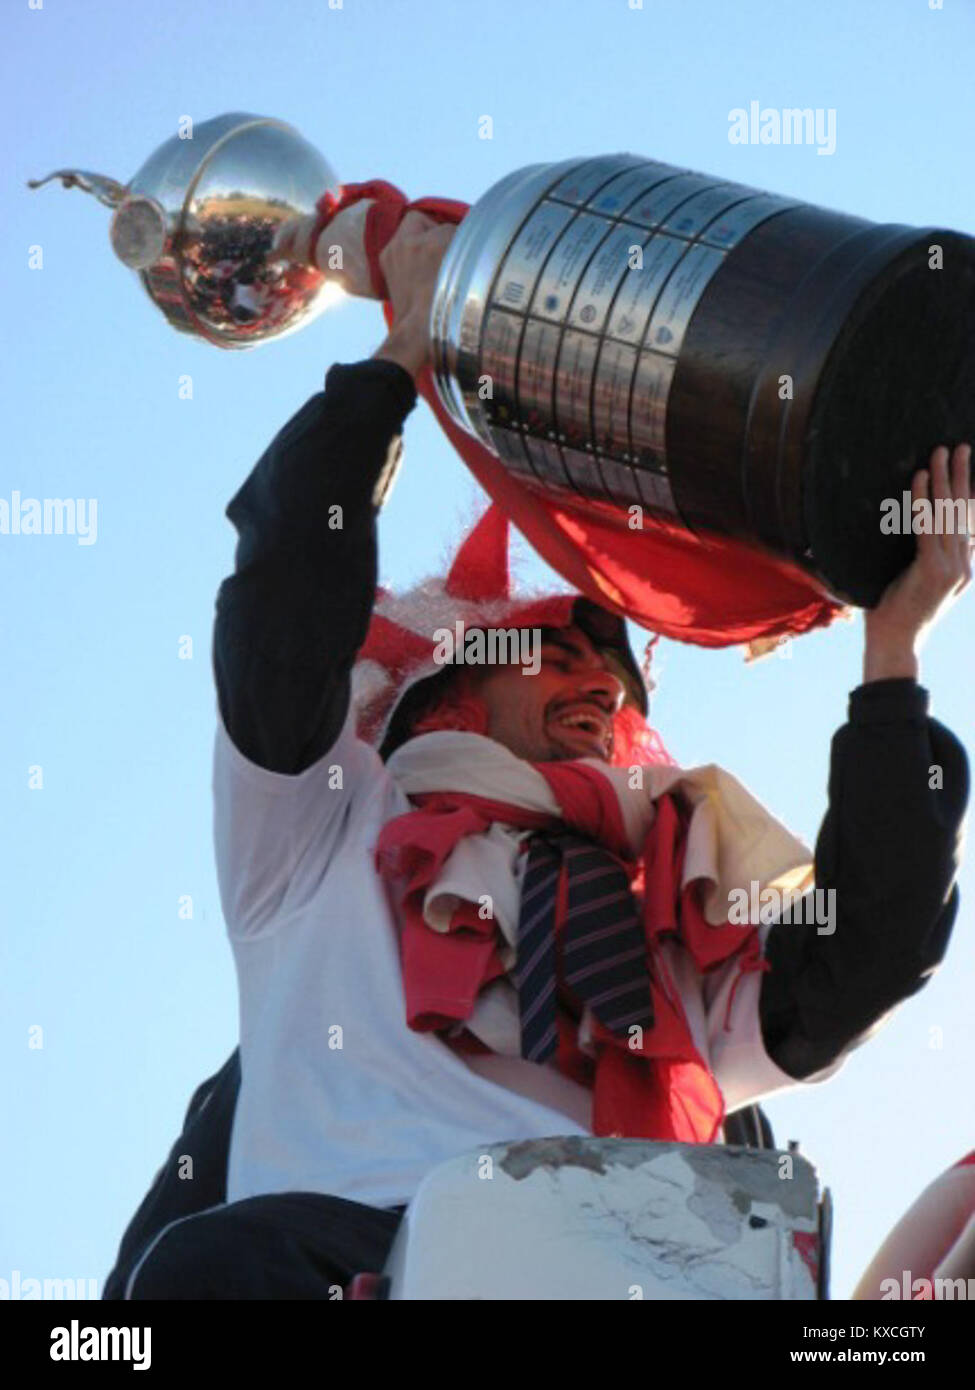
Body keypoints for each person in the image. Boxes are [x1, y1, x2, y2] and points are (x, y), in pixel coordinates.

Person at [104, 214, 971, 1300]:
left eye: (613, 674)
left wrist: (895, 653)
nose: (600, 685)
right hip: (349, 1258)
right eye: (554, 653)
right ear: (447, 688)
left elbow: (875, 946)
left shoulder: (675, 917)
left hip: (629, 1270)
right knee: (202, 1277)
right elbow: (288, 587)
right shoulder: (321, 827)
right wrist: (399, 361)